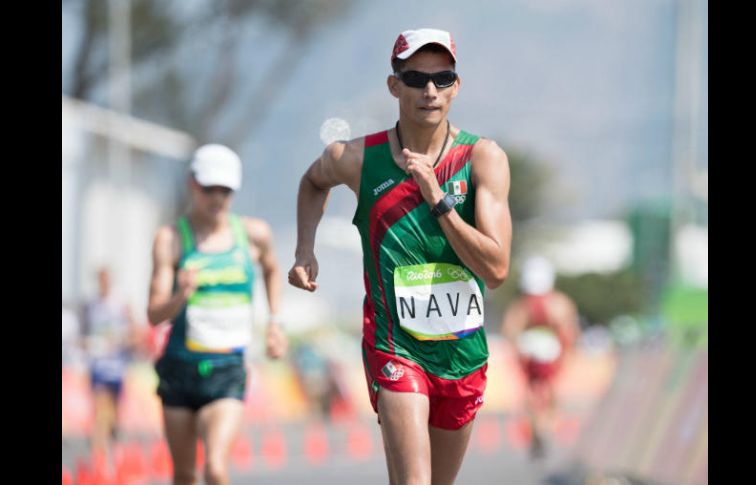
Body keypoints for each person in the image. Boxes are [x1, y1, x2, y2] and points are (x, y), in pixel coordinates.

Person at [289, 28, 512, 484]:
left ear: (456, 85)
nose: (430, 91)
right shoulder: (356, 158)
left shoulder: (482, 158)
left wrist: (439, 199)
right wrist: (304, 249)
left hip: (461, 353)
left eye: (442, 78)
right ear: (394, 85)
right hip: (396, 347)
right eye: (415, 79)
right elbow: (313, 181)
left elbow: (496, 269)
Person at [147, 143, 288, 485]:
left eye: (225, 190)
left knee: (215, 468)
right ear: (192, 184)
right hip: (180, 368)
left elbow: (271, 270)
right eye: (210, 188)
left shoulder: (254, 234)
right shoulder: (171, 240)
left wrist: (274, 323)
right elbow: (153, 314)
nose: (217, 198)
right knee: (184, 474)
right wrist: (180, 295)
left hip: (227, 370)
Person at [500, 256, 580, 460]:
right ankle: (544, 429)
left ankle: (540, 429)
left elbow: (510, 331)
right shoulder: (559, 304)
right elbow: (570, 334)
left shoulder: (523, 306)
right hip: (548, 357)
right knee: (548, 394)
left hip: (534, 357)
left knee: (533, 395)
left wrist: (519, 353)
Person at [82, 266, 142, 456]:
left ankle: (113, 436)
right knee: (101, 409)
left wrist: (125, 340)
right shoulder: (90, 304)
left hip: (117, 366)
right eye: (100, 279)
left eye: (106, 279)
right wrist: (88, 344)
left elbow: (136, 333)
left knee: (114, 413)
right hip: (98, 365)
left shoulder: (122, 303)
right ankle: (99, 448)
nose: (103, 283)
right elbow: (82, 333)